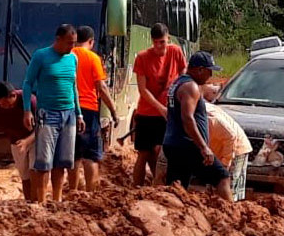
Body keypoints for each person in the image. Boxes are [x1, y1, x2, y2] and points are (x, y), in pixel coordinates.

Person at [22, 24, 82, 203]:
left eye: (74, 43)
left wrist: (78, 114)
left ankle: (57, 200)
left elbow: (74, 87)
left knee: (62, 162)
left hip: (69, 114)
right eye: (69, 43)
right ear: (58, 39)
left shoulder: (73, 59)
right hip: (47, 114)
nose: (72, 47)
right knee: (44, 163)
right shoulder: (41, 56)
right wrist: (27, 110)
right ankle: (41, 201)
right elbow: (27, 83)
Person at [162, 51, 233, 201]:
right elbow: (187, 118)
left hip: (174, 143)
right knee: (222, 177)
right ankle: (231, 217)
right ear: (200, 69)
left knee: (176, 188)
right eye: (209, 71)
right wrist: (203, 147)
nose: (210, 76)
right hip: (188, 146)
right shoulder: (190, 87)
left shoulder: (177, 83)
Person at [131, 23, 186, 186]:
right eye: (156, 43)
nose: (159, 46)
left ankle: (159, 185)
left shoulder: (175, 51)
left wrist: (177, 97)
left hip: (168, 112)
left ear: (168, 39)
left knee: (160, 151)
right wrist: (160, 107)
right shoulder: (142, 57)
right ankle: (136, 188)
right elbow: (143, 89)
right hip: (147, 112)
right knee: (143, 153)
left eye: (162, 42)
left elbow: (183, 74)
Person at [67, 25, 119, 193]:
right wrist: (113, 110)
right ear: (91, 41)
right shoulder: (93, 58)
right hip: (88, 109)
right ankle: (90, 193)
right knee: (90, 156)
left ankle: (73, 191)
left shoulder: (67, 56)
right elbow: (101, 87)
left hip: (69, 108)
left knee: (73, 155)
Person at [0, 81, 36, 201]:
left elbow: (44, 126)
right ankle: (29, 202)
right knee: (24, 175)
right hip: (15, 141)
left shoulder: (29, 100)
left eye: (7, 104)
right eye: (1, 105)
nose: (5, 107)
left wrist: (27, 141)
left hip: (34, 138)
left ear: (13, 95)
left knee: (35, 170)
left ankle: (38, 201)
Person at [201, 83, 252, 201]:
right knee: (213, 190)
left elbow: (231, 137)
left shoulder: (209, 117)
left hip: (236, 148)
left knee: (229, 189)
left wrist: (225, 163)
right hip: (216, 150)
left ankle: (232, 215)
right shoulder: (184, 112)